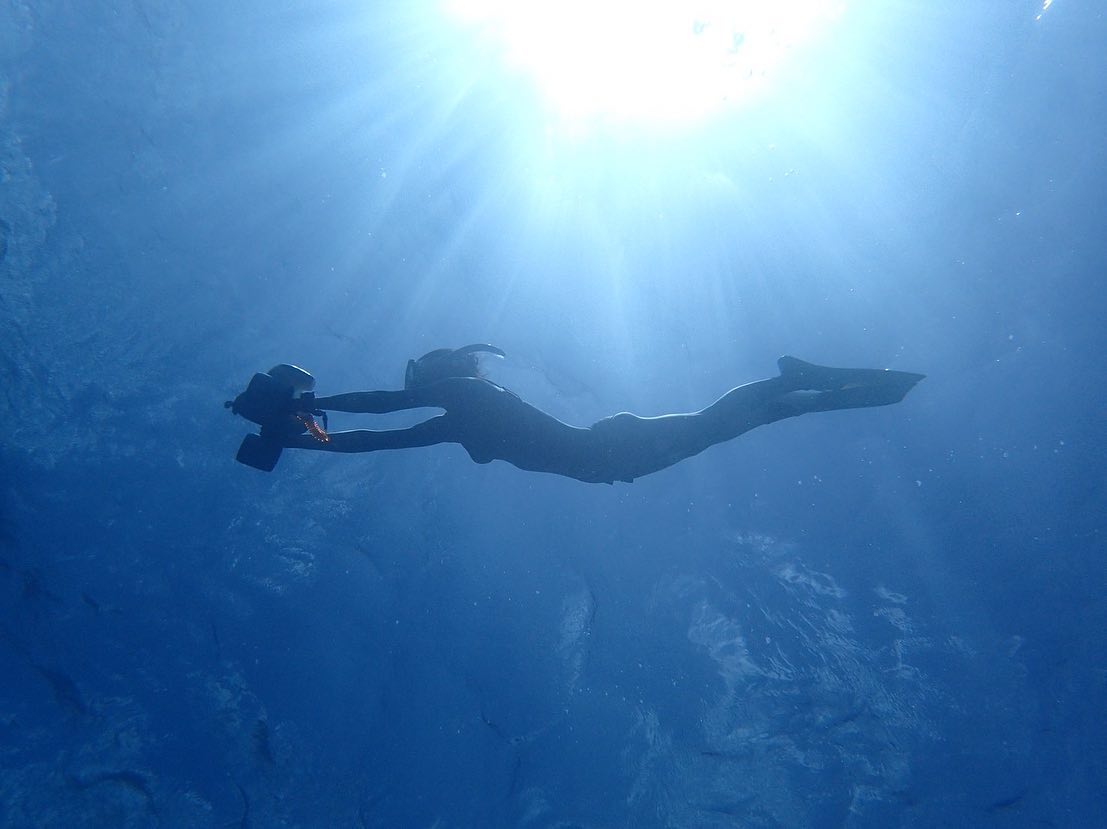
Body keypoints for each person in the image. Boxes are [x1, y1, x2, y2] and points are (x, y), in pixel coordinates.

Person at [226, 345, 924, 483]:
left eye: (422, 377)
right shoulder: (461, 416)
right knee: (723, 423)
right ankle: (795, 394)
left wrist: (309, 411)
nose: (417, 386)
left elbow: (384, 411)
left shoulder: (465, 402)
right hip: (610, 450)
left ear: (440, 377)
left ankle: (788, 383)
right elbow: (388, 437)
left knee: (717, 422)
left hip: (609, 457)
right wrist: (317, 437)